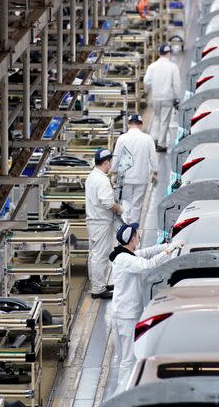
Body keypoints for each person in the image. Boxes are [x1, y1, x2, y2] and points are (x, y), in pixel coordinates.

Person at [109, 223, 186, 392]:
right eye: (137, 235)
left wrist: (167, 246)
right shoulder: (125, 260)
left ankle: (124, 389)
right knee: (128, 359)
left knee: (125, 358)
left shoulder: (125, 254)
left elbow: (146, 252)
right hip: (126, 315)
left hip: (122, 312)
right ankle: (122, 394)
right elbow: (147, 264)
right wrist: (169, 251)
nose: (139, 237)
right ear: (131, 239)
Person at [85, 148, 123, 299]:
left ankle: (98, 283)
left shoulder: (92, 176)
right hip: (100, 222)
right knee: (100, 255)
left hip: (95, 221)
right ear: (106, 162)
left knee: (95, 254)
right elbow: (107, 203)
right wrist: (119, 208)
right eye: (110, 163)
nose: (111, 165)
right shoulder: (101, 179)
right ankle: (98, 288)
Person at [112, 114, 158, 224]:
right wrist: (155, 173)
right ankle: (133, 232)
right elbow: (153, 158)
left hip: (125, 177)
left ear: (128, 125)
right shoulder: (147, 138)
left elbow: (116, 157)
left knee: (126, 204)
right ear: (141, 125)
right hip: (141, 177)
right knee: (137, 205)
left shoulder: (122, 138)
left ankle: (124, 231)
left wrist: (114, 172)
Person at [144, 44, 183, 152]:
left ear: (159, 53)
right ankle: (162, 144)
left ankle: (154, 139)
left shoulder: (152, 66)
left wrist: (151, 89)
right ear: (169, 53)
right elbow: (177, 84)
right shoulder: (173, 67)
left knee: (156, 117)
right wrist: (177, 97)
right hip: (167, 97)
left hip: (156, 97)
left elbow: (146, 81)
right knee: (165, 121)